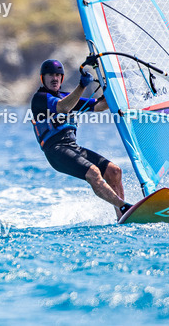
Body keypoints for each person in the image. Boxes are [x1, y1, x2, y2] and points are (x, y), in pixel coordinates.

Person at [30, 58, 132, 219]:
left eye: (58, 75)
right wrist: (82, 86)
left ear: (62, 78)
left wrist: (113, 88)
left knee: (114, 171)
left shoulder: (67, 97)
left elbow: (99, 106)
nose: (54, 78)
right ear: (43, 78)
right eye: (50, 75)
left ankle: (122, 216)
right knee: (93, 172)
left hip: (72, 147)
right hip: (56, 151)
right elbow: (63, 107)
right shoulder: (40, 98)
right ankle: (125, 207)